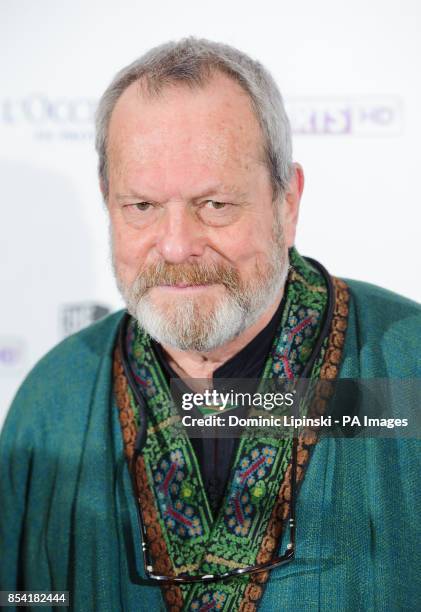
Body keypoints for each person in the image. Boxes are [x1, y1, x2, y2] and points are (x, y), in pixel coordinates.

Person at [1, 38, 420, 612]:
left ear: (287, 202)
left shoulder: (410, 368)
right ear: (108, 202)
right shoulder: (53, 401)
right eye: (141, 207)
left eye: (216, 204)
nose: (176, 247)